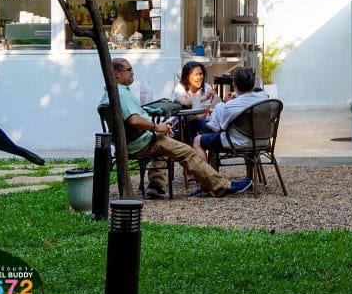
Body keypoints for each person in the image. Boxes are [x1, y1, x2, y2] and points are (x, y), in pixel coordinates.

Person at [99, 58, 252, 199]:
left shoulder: (109, 95)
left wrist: (158, 128)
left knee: (165, 140)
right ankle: (222, 186)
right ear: (117, 73)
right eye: (129, 70)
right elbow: (134, 120)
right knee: (187, 152)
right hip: (141, 142)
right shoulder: (121, 94)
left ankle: (156, 185)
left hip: (131, 142)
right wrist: (156, 127)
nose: (132, 73)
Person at [193, 66, 269, 163]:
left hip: (238, 143)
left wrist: (226, 103)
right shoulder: (264, 98)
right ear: (253, 84)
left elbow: (217, 128)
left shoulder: (228, 106)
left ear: (234, 85)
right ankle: (251, 172)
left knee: (197, 140)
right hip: (262, 140)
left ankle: (206, 172)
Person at [173, 61, 220, 142]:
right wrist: (205, 97)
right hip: (184, 123)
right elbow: (185, 102)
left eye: (201, 74)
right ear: (187, 77)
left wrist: (194, 117)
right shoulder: (180, 88)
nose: (199, 77)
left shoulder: (206, 87)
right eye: (196, 75)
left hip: (201, 121)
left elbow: (204, 115)